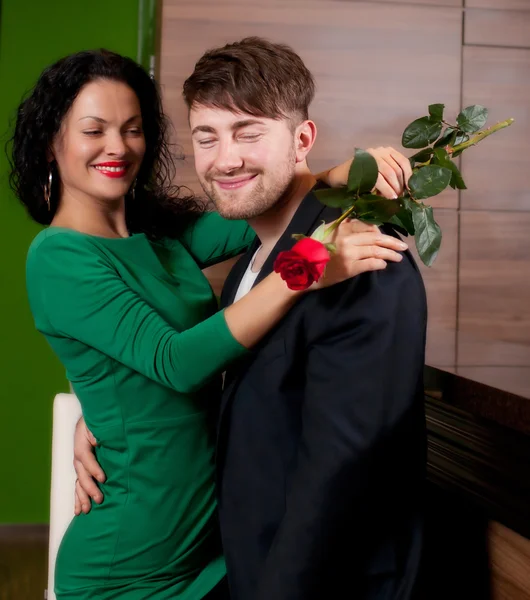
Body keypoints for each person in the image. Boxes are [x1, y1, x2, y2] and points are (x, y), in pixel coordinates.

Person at [12, 49, 409, 599]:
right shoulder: (57, 257)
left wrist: (341, 173)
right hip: (128, 567)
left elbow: (259, 210)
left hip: (213, 547)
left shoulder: (158, 237)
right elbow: (176, 362)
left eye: (132, 129)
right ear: (52, 143)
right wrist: (312, 262)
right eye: (93, 130)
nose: (117, 146)